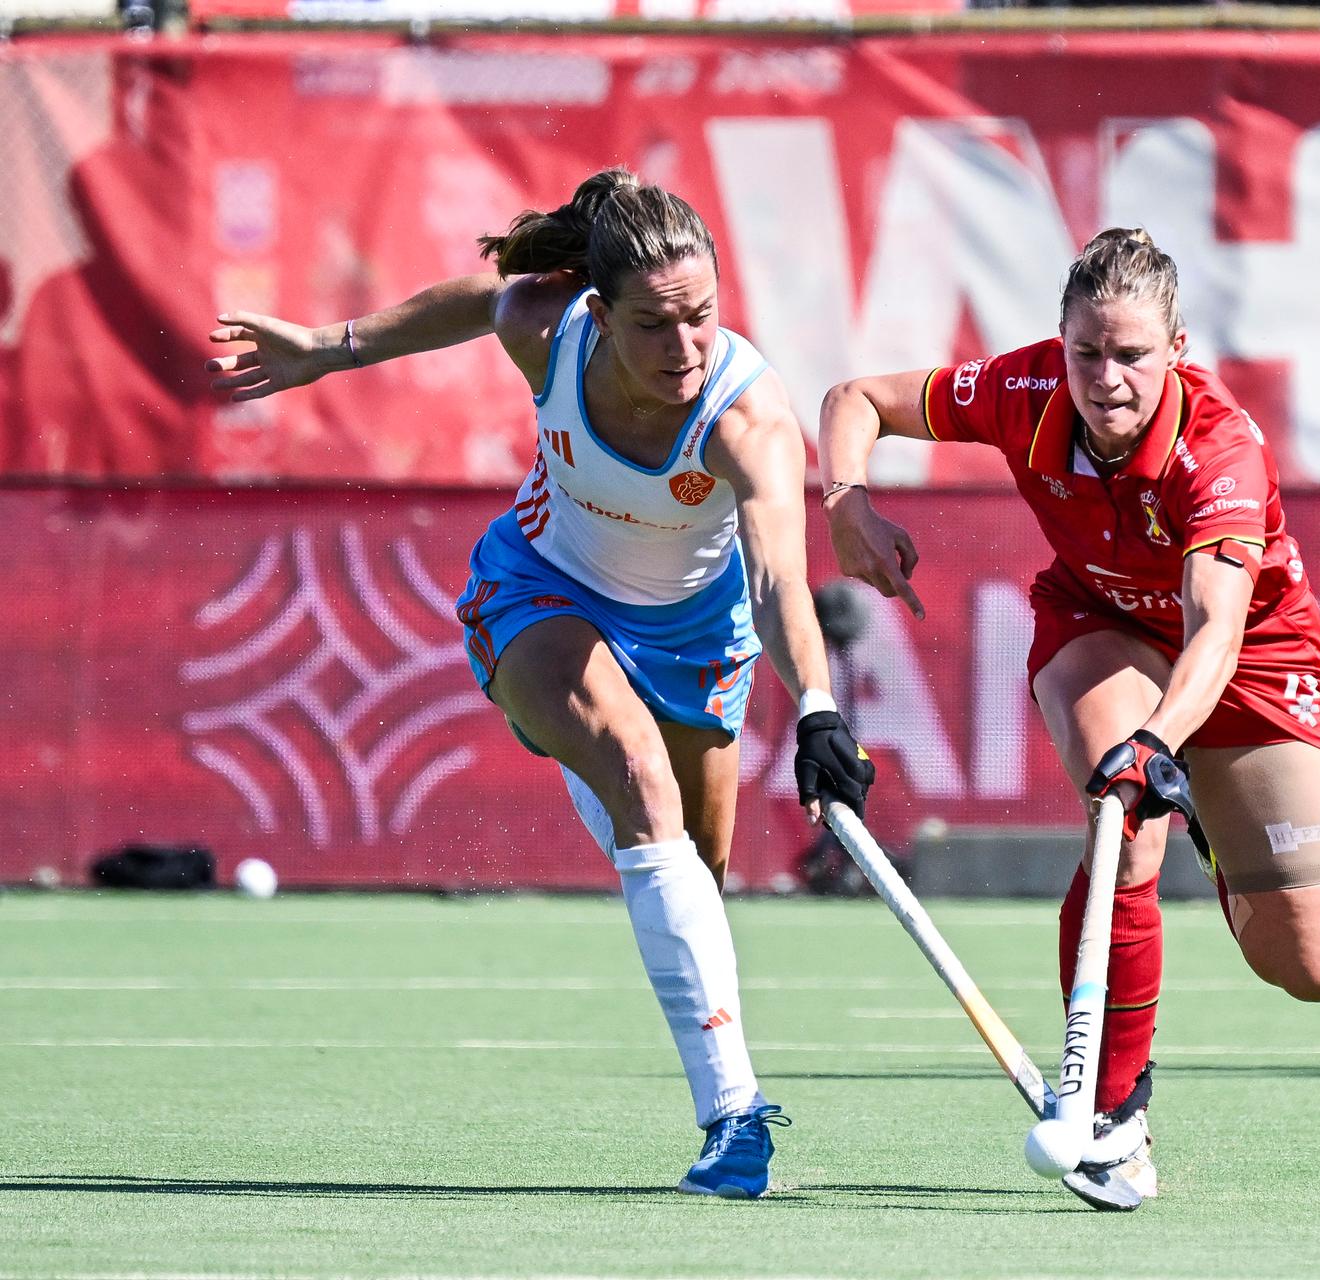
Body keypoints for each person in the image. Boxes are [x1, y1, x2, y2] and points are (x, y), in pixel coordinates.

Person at [206, 169, 874, 1200]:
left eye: (700, 317)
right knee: (641, 785)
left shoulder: (748, 420)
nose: (685, 348)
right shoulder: (548, 328)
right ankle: (736, 1117)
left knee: (694, 871)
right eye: (654, 325)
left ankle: (605, 765)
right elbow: (481, 299)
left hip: (697, 634)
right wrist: (330, 348)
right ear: (600, 315)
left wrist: (820, 707)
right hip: (543, 587)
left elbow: (782, 572)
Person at [817, 228, 1320, 1204]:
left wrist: (1162, 740)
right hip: (1099, 624)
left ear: (1178, 349)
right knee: (1123, 822)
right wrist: (846, 499)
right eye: (1086, 351)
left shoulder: (1218, 449)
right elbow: (855, 398)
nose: (1105, 379)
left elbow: (1217, 630)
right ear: (1060, 342)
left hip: (1249, 658)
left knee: (1314, 965)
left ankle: (1210, 825)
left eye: (1133, 354)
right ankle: (1112, 1111)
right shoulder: (1022, 393)